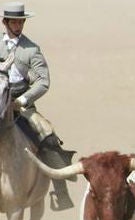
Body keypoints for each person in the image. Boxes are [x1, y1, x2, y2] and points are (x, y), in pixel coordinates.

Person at [0, 2, 76, 210]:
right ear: (5, 22)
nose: (18, 25)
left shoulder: (31, 49)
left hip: (21, 104)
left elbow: (43, 81)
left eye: (20, 22)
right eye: (14, 21)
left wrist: (22, 100)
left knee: (47, 135)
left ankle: (60, 192)